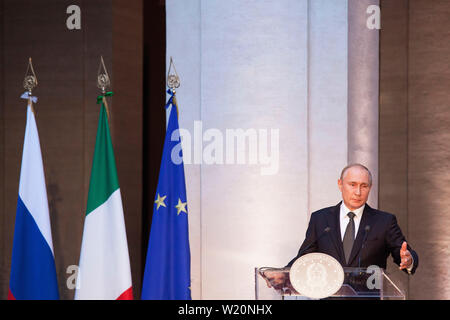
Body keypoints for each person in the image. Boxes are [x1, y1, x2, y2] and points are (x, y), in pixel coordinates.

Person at [264, 163, 418, 290]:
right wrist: (283, 273)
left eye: (364, 186)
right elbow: (305, 257)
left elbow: (403, 253)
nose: (358, 192)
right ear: (340, 184)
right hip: (329, 295)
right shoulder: (320, 219)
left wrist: (408, 260)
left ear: (370, 188)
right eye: (352, 185)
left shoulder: (384, 221)